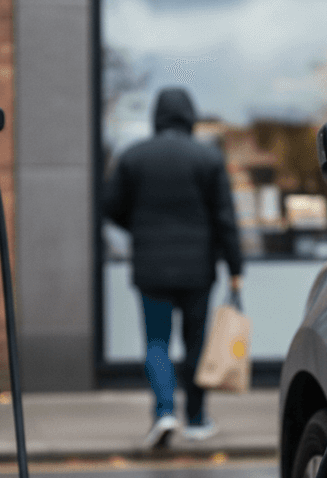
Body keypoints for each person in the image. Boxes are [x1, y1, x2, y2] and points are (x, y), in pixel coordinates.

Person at [104, 87, 243, 447]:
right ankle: (196, 420)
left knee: (156, 342)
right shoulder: (208, 159)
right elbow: (225, 218)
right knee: (195, 343)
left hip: (150, 265)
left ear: (157, 117)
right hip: (198, 268)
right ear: (190, 116)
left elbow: (111, 206)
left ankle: (164, 412)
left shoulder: (134, 157)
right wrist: (236, 268)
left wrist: (140, 228)